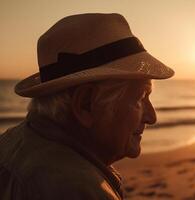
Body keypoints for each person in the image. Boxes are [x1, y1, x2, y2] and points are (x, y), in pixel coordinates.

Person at [0, 13, 174, 199]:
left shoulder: (13, 140)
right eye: (141, 97)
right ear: (86, 104)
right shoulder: (78, 191)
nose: (151, 117)